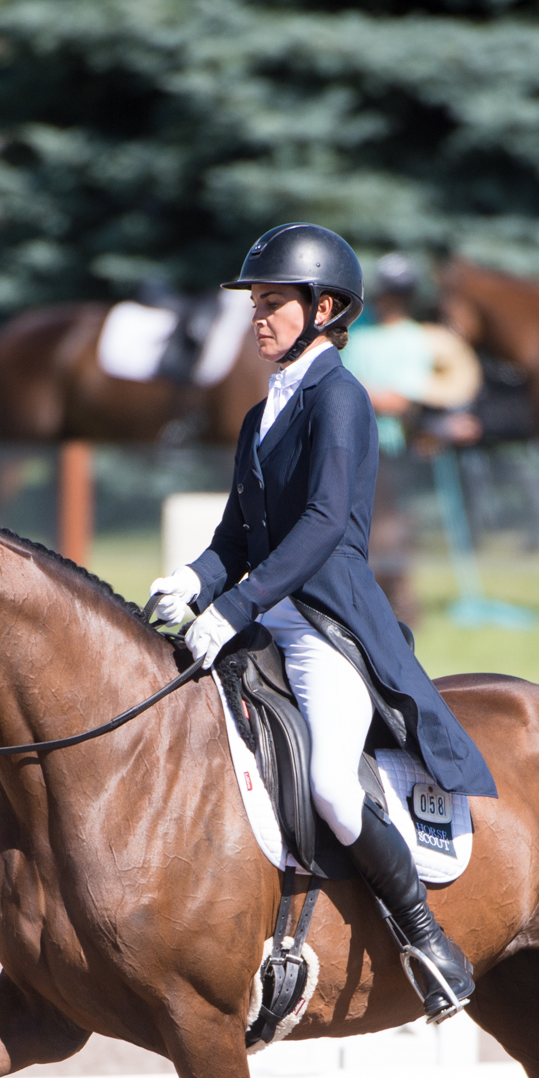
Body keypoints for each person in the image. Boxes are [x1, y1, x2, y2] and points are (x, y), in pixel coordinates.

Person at [144, 224, 496, 1020]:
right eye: (255, 303)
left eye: (273, 303)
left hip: (325, 623)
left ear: (323, 307)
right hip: (263, 618)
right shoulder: (259, 411)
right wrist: (193, 581)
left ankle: (423, 937)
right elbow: (238, 533)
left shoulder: (341, 397)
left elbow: (323, 522)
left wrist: (232, 606)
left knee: (332, 784)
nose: (258, 317)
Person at [340, 253, 485, 624]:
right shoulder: (357, 333)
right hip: (352, 443)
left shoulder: (416, 339)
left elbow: (408, 397)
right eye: (388, 294)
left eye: (399, 295)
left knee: (393, 525)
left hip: (394, 446)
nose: (392, 302)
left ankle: (398, 603)